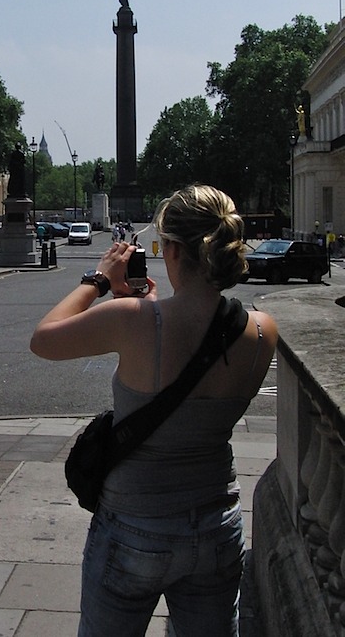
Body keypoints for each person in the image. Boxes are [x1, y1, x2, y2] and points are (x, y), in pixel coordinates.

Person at [30, 185, 277, 636]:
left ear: (174, 250)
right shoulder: (262, 331)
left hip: (133, 527)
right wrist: (146, 310)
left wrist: (99, 280)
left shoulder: (133, 321)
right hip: (217, 523)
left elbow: (43, 339)